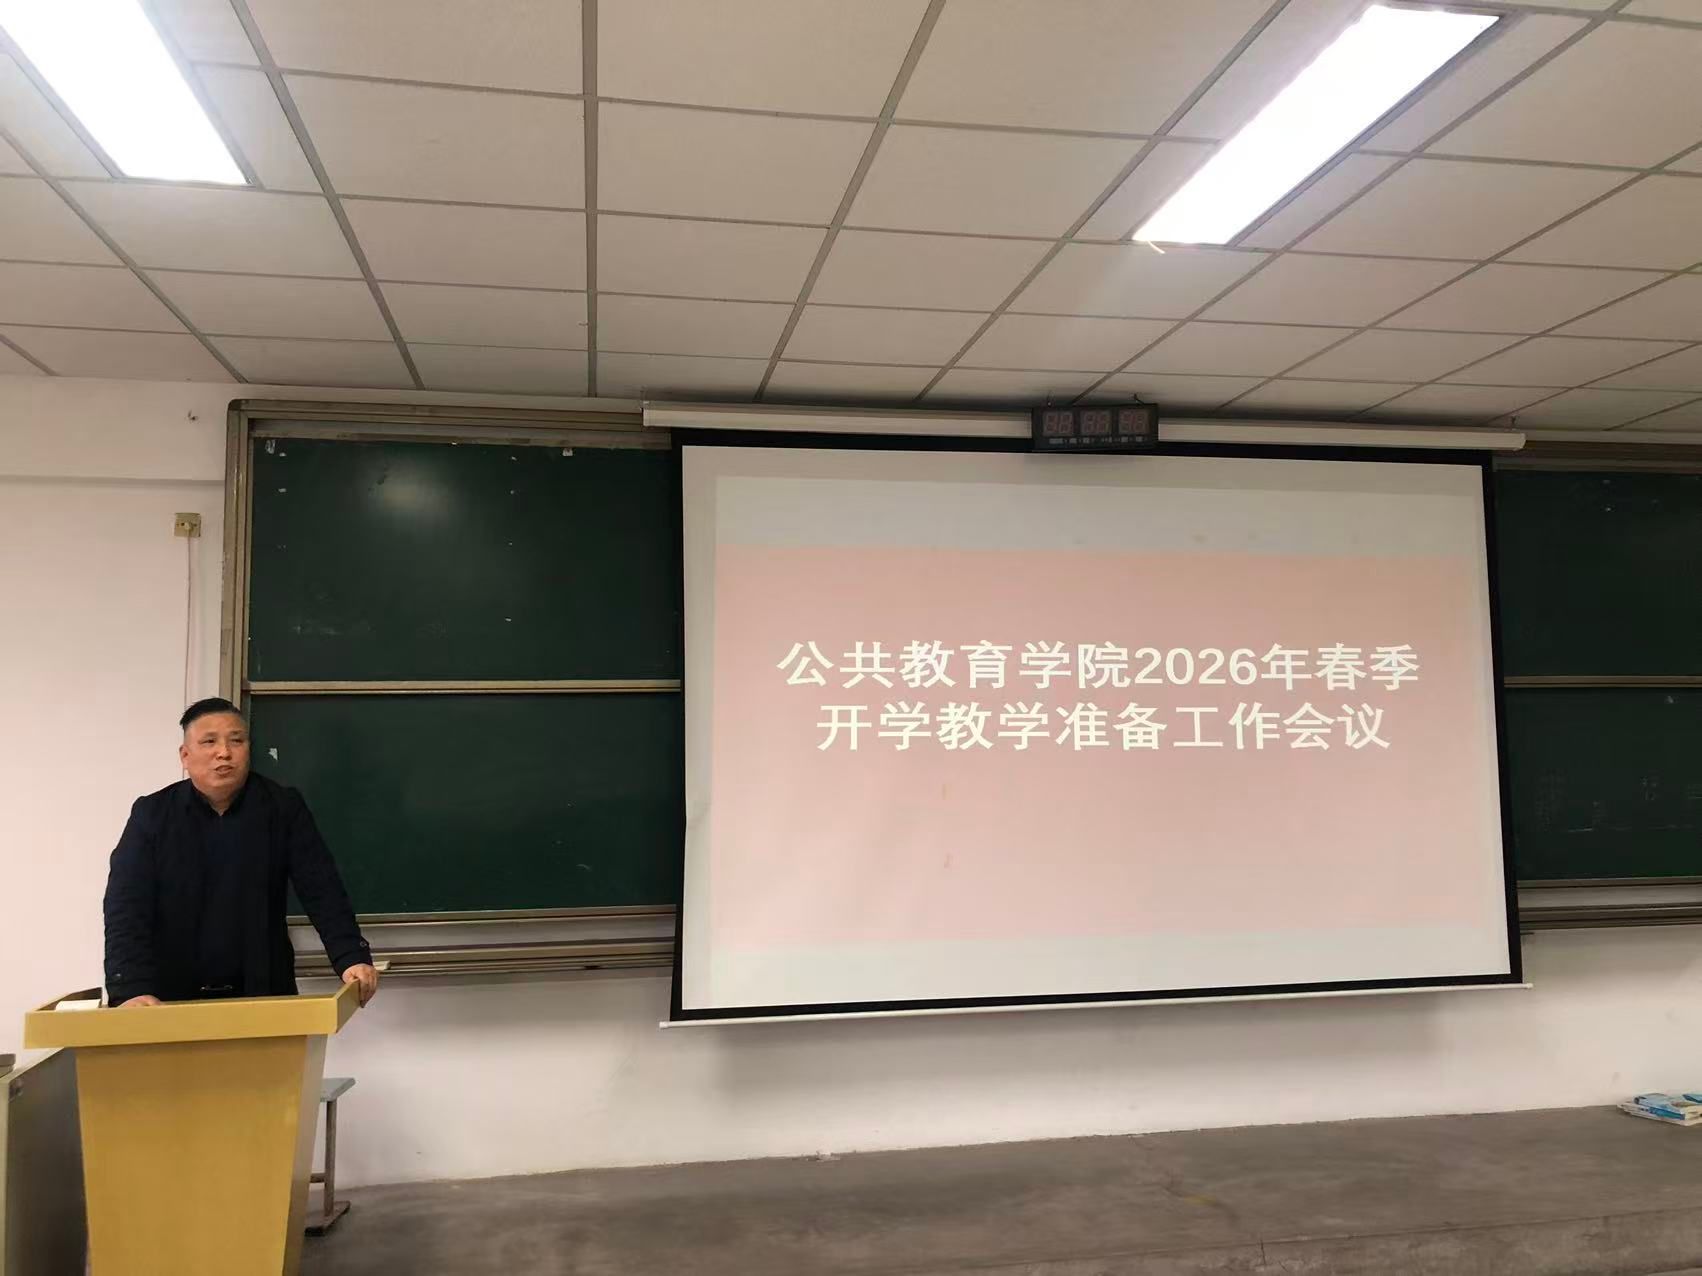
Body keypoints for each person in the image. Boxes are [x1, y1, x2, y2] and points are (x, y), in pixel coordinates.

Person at [103, 698, 379, 1008]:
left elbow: (322, 889)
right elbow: (126, 904)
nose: (224, 752)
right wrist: (130, 987)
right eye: (209, 741)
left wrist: (350, 957)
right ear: (185, 755)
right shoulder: (152, 814)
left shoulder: (282, 807)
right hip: (170, 994)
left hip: (263, 989)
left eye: (236, 740)